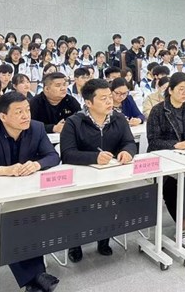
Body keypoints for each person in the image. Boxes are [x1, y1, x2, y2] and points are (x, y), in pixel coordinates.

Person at [0, 92, 60, 292]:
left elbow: (53, 156)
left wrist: (36, 165)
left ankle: (36, 279)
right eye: (19, 112)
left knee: (30, 218)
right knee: (9, 221)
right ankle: (36, 277)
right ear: (3, 116)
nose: (26, 116)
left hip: (21, 192)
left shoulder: (37, 128)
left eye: (27, 110)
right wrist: (5, 170)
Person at [60, 79, 137, 263]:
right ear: (88, 102)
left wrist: (128, 152)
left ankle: (104, 239)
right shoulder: (74, 122)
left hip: (110, 175)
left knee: (109, 205)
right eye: (103, 98)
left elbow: (129, 142)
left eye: (110, 97)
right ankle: (75, 244)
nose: (110, 101)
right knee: (79, 209)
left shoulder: (119, 118)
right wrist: (94, 157)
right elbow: (67, 154)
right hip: (82, 177)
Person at [147, 72, 185, 249]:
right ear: (170, 90)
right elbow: (153, 141)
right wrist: (175, 145)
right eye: (181, 89)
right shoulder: (158, 111)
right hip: (163, 161)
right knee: (171, 187)